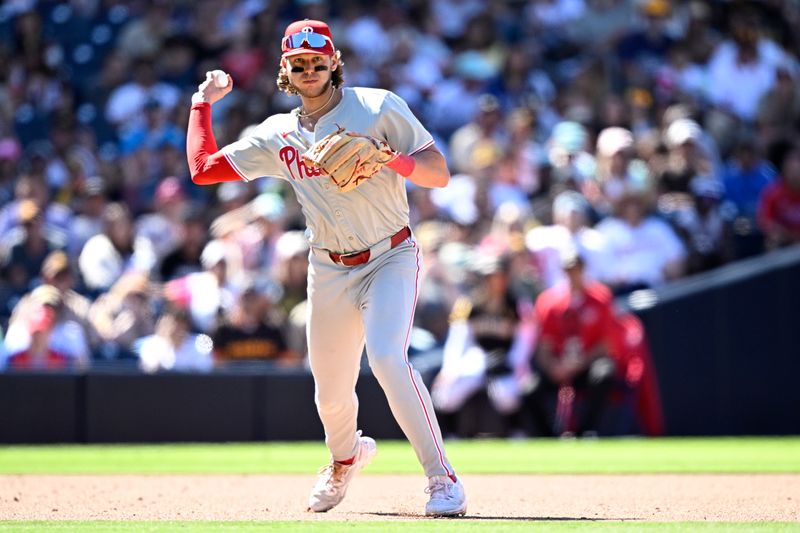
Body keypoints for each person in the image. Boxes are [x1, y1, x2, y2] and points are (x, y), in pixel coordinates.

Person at [185, 19, 466, 516]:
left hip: (390, 254)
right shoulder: (277, 133)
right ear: (285, 72)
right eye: (299, 64)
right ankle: (345, 459)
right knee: (330, 392)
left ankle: (441, 479)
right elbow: (203, 169)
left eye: (319, 62)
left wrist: (388, 158)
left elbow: (438, 173)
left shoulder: (378, 106)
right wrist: (201, 103)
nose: (310, 70)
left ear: (334, 63)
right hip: (329, 267)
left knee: (386, 357)